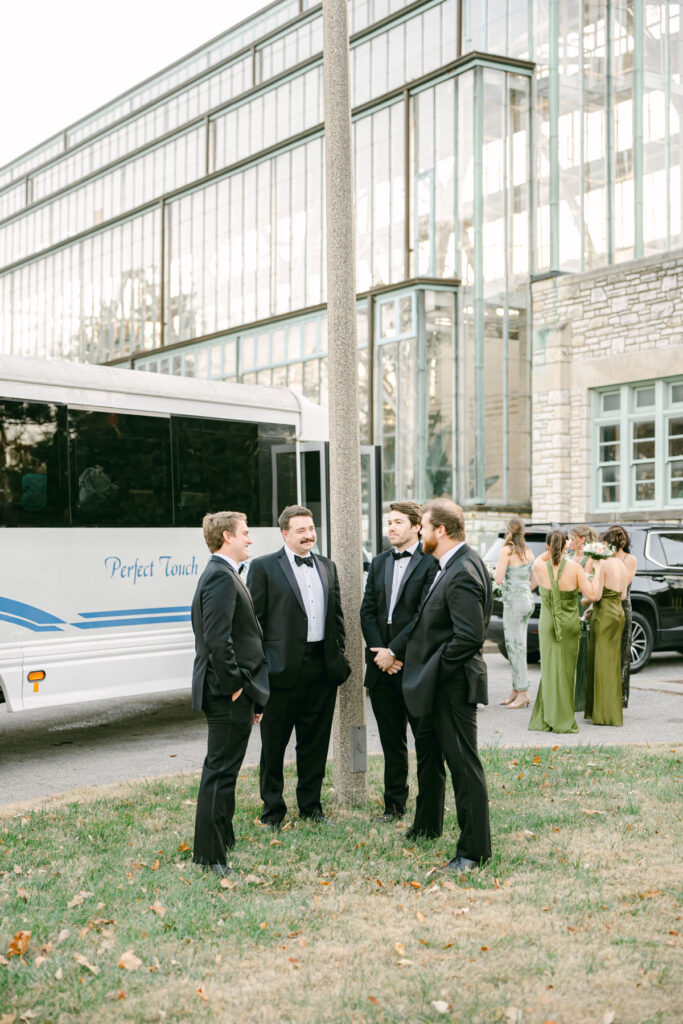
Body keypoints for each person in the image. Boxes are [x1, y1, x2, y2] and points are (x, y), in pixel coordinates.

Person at [401, 499, 492, 873]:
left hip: (453, 686)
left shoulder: (463, 570)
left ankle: (473, 852)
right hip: (440, 683)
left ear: (441, 530)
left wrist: (436, 669)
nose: (419, 531)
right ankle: (428, 825)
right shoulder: (449, 564)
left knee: (464, 767)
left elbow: (469, 636)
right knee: (435, 758)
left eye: (422, 525)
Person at [248, 504, 351, 828]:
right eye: (301, 530)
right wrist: (261, 670)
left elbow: (336, 616)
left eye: (311, 528)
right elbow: (254, 624)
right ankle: (273, 811)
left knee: (315, 743)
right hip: (280, 673)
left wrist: (339, 653)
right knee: (273, 747)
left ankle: (311, 807)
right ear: (285, 534)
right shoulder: (264, 567)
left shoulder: (327, 566)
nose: (309, 535)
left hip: (322, 669)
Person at [191, 511, 269, 877]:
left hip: (237, 692)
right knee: (219, 772)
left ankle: (223, 838)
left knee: (226, 770)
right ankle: (210, 856)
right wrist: (237, 687)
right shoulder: (220, 578)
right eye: (245, 533)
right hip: (225, 694)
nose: (250, 539)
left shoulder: (224, 575)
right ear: (227, 537)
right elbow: (217, 640)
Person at [360, 501, 438, 821]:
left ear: (417, 527)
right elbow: (367, 610)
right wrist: (381, 652)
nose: (391, 528)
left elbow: (424, 615)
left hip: (414, 666)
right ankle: (394, 806)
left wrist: (395, 651)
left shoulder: (431, 563)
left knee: (425, 741)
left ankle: (428, 805)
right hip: (382, 669)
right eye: (389, 523)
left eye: (398, 522)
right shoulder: (379, 562)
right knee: (392, 744)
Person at [529, 530, 602, 734]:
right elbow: (593, 595)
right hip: (569, 624)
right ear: (565, 545)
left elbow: (544, 557)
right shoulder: (575, 568)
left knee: (550, 670)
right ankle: (563, 717)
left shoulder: (538, 565)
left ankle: (548, 716)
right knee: (568, 671)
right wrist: (597, 570)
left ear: (547, 546)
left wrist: (555, 550)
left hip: (546, 625)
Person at [584, 536, 628, 727]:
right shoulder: (620, 564)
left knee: (601, 663)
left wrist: (585, 599)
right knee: (612, 663)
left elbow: (596, 595)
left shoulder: (601, 565)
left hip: (604, 616)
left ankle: (602, 714)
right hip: (618, 613)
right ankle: (611, 711)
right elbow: (624, 595)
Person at [495, 517, 537, 709]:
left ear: (508, 531)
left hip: (514, 604)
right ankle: (516, 689)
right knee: (518, 645)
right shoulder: (528, 552)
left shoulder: (507, 551)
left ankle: (523, 692)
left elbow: (498, 578)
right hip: (527, 601)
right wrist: (522, 589)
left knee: (515, 647)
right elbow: (534, 580)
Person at [601, 525, 638, 708]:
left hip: (623, 606)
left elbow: (625, 582)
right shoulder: (604, 559)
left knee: (622, 652)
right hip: (604, 605)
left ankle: (620, 696)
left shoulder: (629, 560)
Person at [566, 525, 597, 712]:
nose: (569, 542)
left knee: (582, 649)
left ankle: (581, 697)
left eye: (571, 539)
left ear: (582, 540)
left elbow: (587, 586)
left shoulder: (590, 558)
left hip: (581, 602)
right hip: (568, 602)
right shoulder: (568, 558)